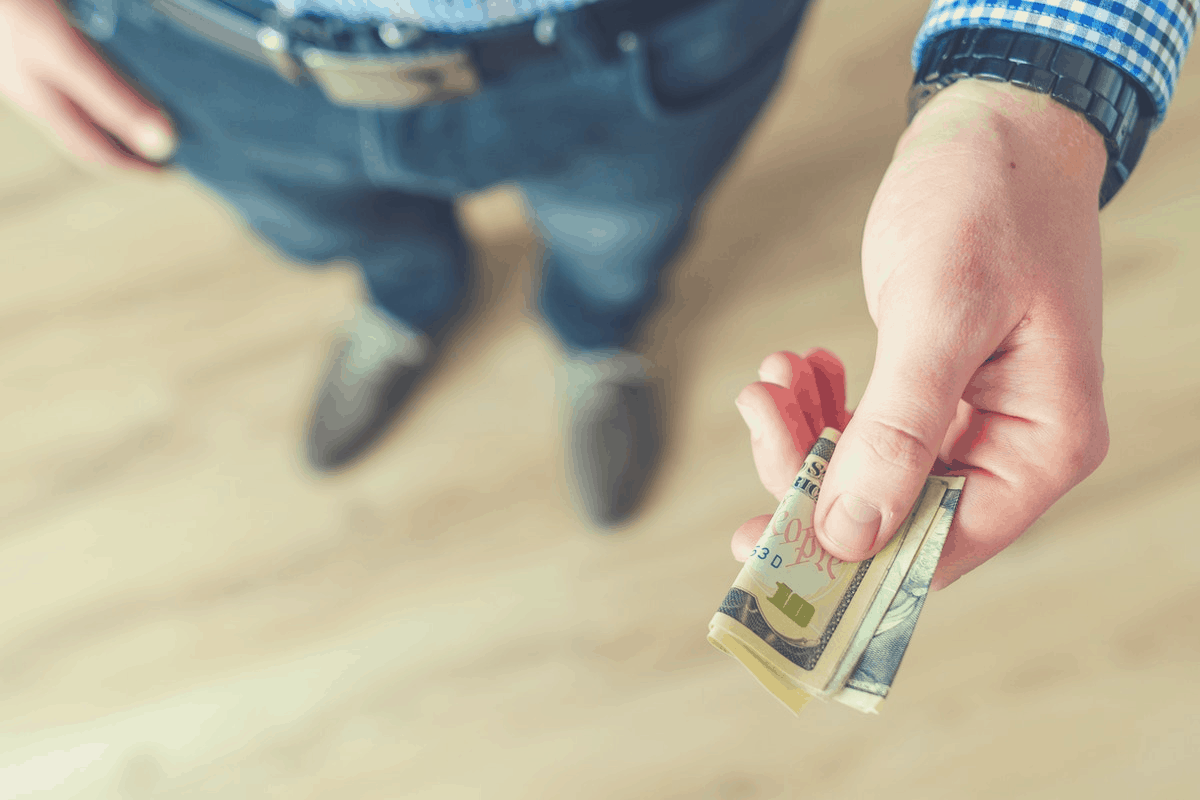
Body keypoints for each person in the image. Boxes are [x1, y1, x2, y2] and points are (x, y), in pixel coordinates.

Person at [0, 0, 1193, 584]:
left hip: (643, 40)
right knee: (330, 234)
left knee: (621, 242)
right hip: (195, 50)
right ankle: (411, 302)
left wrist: (1034, 94)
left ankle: (597, 333)